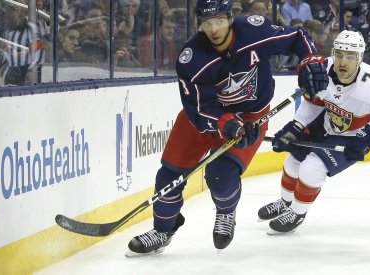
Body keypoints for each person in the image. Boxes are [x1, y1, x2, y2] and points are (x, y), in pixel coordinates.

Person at [125, 0, 329, 256]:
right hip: (204, 118)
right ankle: (162, 231)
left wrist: (310, 60)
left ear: (230, 18)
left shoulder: (255, 32)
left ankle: (226, 213)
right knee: (169, 175)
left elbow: (298, 36)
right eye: (207, 23)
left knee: (220, 175)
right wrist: (226, 124)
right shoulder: (191, 59)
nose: (214, 29)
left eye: (219, 21)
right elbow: (198, 109)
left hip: (251, 116)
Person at [257, 30, 370, 234]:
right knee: (293, 160)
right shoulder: (323, 69)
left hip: (355, 135)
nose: (343, 62)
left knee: (311, 168)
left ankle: (297, 212)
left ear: (360, 58)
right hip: (326, 122)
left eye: (350, 57)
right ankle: (285, 202)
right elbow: (315, 101)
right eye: (339, 54)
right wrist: (296, 127)